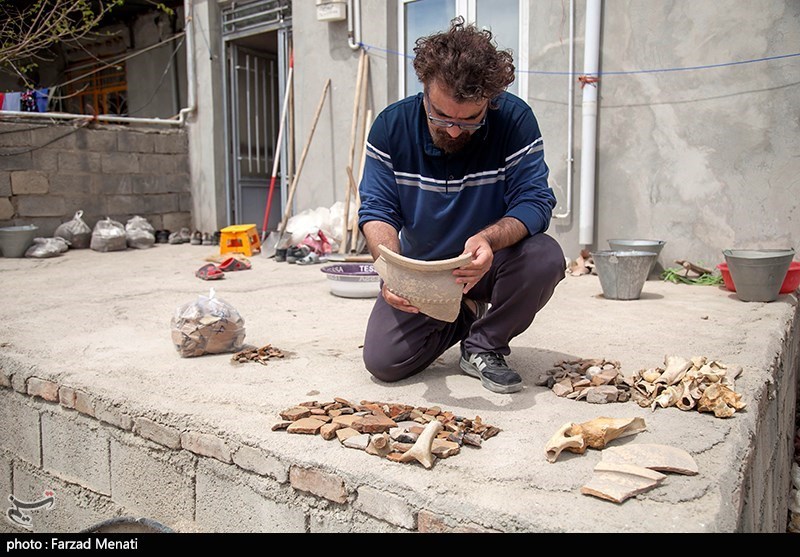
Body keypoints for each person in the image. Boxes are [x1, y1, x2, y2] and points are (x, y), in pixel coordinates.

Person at [357, 16, 566, 394]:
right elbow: (377, 210)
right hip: (424, 271)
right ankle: (463, 316)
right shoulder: (390, 127)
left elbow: (535, 200)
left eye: (470, 119)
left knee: (544, 256)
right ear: (424, 89)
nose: (454, 129)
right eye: (441, 116)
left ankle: (484, 345)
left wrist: (487, 240)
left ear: (490, 99)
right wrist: (392, 272)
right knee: (385, 362)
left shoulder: (515, 120)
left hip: (489, 262)